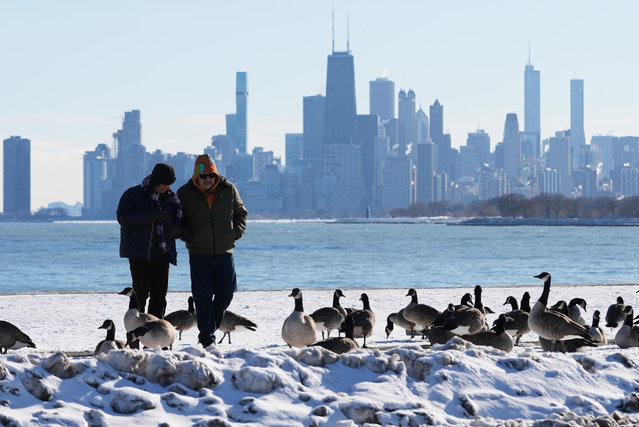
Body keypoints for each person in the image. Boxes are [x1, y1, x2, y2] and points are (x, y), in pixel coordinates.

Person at [177, 154, 247, 347]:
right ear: (196, 177)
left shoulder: (228, 189)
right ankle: (207, 338)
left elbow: (241, 213)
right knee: (202, 297)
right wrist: (186, 235)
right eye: (203, 176)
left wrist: (235, 234)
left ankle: (209, 329)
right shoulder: (185, 193)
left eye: (211, 175)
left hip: (225, 252)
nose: (207, 179)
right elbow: (178, 221)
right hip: (199, 253)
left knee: (226, 293)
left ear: (216, 175)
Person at [117, 162, 182, 322]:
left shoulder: (172, 199)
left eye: (169, 184)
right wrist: (150, 216)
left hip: (163, 253)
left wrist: (176, 231)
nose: (166, 187)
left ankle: (155, 336)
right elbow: (123, 219)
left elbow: (182, 224)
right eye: (164, 183)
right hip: (139, 254)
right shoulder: (132, 195)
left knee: (159, 297)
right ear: (155, 180)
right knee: (139, 296)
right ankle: (135, 336)